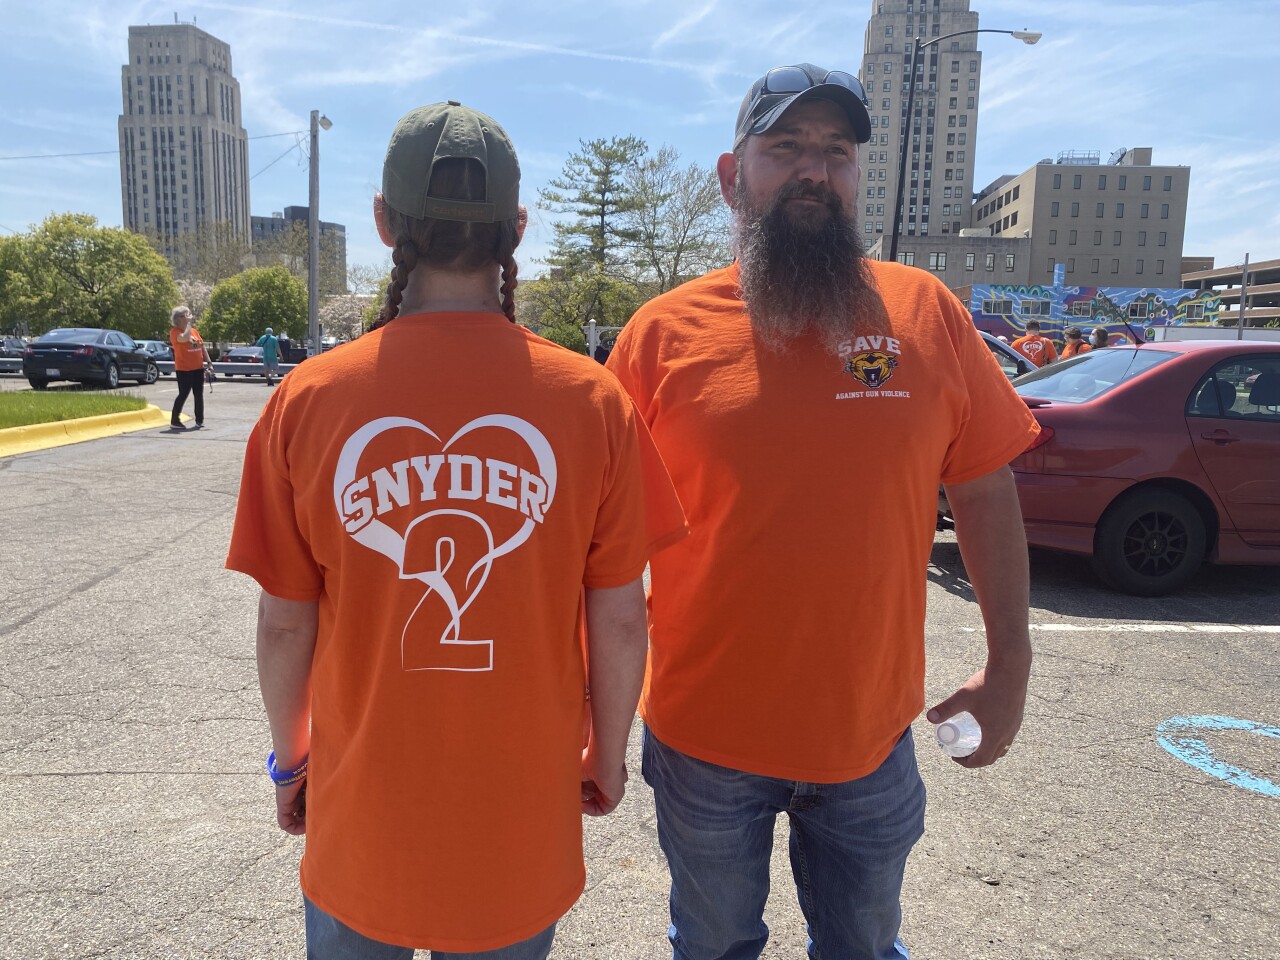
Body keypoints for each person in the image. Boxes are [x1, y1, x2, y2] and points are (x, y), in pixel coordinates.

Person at [226, 101, 686, 959]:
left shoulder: (308, 400)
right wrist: (606, 753)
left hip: (363, 815)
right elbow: (622, 614)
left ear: (383, 221)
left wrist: (292, 762)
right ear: (515, 229)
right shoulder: (592, 402)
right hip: (517, 823)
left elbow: (286, 618)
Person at [606, 63, 1038, 960]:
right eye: (786, 147)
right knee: (713, 946)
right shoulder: (659, 335)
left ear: (856, 175)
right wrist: (584, 702)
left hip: (869, 738)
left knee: (864, 947)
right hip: (703, 740)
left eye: (836, 151)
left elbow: (986, 485)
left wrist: (1009, 665)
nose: (815, 168)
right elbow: (596, 543)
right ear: (733, 176)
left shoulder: (928, 313)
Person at [169, 305, 212, 430]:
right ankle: (175, 420)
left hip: (197, 368)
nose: (189, 316)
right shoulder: (175, 332)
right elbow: (184, 339)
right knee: (183, 393)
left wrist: (209, 362)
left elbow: (202, 347)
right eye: (186, 314)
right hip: (184, 369)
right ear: (179, 318)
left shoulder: (194, 331)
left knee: (198, 394)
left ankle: (199, 420)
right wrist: (188, 325)